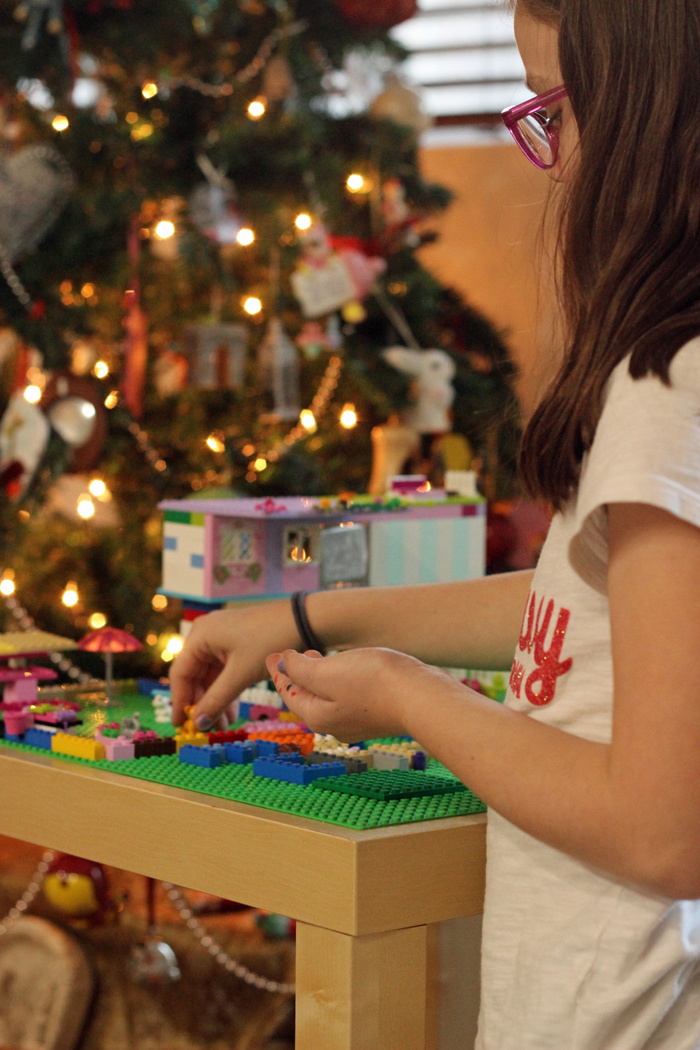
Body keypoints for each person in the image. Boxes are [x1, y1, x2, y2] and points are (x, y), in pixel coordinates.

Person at [171, 0, 700, 1044]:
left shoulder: (669, 387)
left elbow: (661, 831)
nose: (550, 161)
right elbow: (579, 614)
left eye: (553, 110)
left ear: (643, 114)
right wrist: (310, 619)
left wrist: (407, 698)